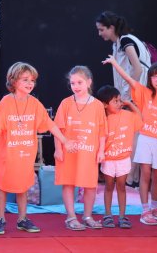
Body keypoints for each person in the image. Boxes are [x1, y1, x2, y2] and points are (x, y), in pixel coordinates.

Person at [0, 62, 75, 235]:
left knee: (23, 187)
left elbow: (50, 124)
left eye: (32, 80)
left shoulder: (35, 103)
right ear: (13, 81)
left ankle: (22, 219)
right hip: (6, 156)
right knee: (2, 187)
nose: (30, 83)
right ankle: (0, 219)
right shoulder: (6, 102)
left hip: (25, 156)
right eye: (25, 79)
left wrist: (64, 140)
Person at [103, 55, 157, 226]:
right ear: (150, 79)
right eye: (155, 76)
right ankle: (145, 211)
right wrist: (115, 63)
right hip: (145, 139)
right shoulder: (145, 93)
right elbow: (129, 79)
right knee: (145, 174)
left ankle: (155, 207)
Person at [96, 11, 151, 188]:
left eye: (102, 29)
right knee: (134, 135)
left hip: (136, 95)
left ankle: (129, 178)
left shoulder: (126, 41)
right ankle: (131, 178)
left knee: (133, 136)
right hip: (135, 94)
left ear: (111, 28)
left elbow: (138, 69)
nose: (100, 33)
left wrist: (126, 94)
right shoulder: (121, 43)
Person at [54, 66, 107, 231]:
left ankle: (88, 216)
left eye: (79, 82)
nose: (76, 86)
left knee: (90, 185)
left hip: (89, 152)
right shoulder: (66, 103)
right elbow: (58, 128)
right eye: (72, 83)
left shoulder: (98, 105)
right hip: (69, 152)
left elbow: (101, 131)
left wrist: (101, 150)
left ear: (89, 82)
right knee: (68, 183)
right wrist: (58, 149)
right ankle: (71, 217)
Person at [96, 85, 143, 229]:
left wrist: (131, 105)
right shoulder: (102, 119)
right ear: (105, 104)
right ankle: (108, 215)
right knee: (109, 186)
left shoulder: (127, 115)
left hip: (123, 159)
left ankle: (122, 216)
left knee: (122, 186)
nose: (118, 103)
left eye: (119, 100)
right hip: (109, 159)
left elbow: (140, 120)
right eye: (114, 101)